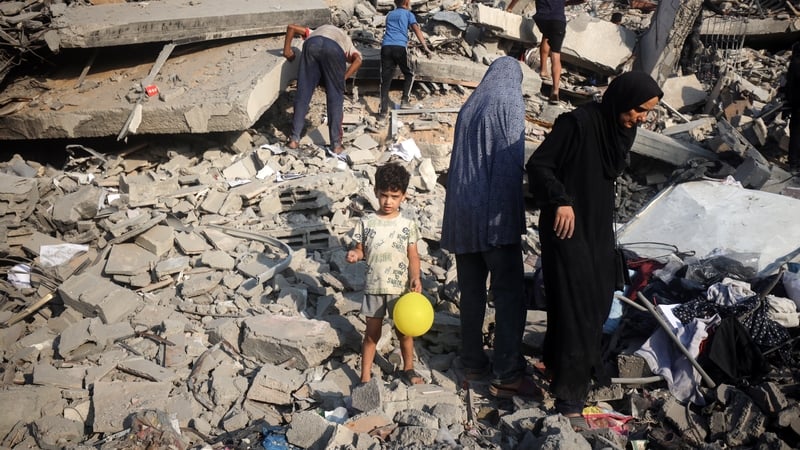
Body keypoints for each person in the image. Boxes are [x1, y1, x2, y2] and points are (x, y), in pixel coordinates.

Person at [525, 71, 662, 429]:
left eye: (647, 112)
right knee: (577, 306)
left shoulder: (619, 131)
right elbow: (539, 165)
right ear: (622, 99)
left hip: (597, 230)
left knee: (599, 298)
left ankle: (556, 365)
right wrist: (560, 200)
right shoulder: (578, 124)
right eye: (639, 110)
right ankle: (569, 397)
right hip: (566, 228)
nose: (641, 118)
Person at [440, 57, 535, 398]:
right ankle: (508, 371)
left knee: (472, 293)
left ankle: (472, 360)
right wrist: (507, 218)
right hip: (492, 215)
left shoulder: (470, 107)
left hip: (461, 214)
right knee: (509, 295)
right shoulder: (509, 102)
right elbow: (508, 165)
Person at [346, 162, 424, 385]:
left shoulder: (407, 224)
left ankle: (409, 368)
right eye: (384, 195)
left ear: (404, 197)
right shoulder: (366, 222)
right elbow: (361, 250)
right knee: (372, 334)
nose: (388, 201)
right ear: (376, 193)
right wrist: (354, 254)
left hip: (400, 290)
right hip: (374, 288)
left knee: (405, 333)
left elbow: (413, 256)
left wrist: (415, 277)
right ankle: (364, 377)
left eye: (394, 196)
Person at [283, 24, 362, 155]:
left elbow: (291, 27)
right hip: (334, 49)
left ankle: (293, 140)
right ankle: (336, 145)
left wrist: (287, 51)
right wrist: (343, 78)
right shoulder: (349, 45)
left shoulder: (315, 31)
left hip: (312, 44)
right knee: (335, 99)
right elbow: (358, 60)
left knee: (303, 93)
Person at [378, 0, 432, 120]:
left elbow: (391, 30)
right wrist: (425, 47)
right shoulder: (408, 14)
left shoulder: (390, 14)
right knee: (409, 73)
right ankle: (405, 101)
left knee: (385, 80)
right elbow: (416, 30)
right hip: (400, 47)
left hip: (386, 47)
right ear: (407, 3)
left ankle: (382, 112)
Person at [532, 0, 566, 104]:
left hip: (542, 18)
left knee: (546, 36)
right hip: (557, 19)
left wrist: (510, 7)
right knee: (555, 54)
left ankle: (543, 70)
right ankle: (555, 91)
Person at [786, 40, 800, 174]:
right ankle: (795, 163)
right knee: (796, 135)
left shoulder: (793, 64)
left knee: (795, 134)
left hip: (795, 104)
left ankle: (794, 163)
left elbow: (788, 85)